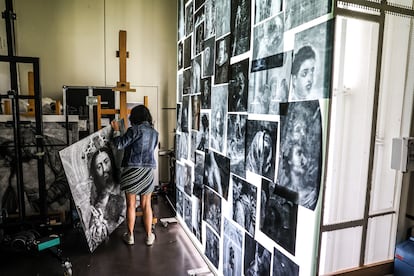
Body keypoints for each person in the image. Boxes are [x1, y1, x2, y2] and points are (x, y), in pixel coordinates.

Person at [111, 105, 159, 246]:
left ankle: (130, 236)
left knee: (131, 205)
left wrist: (116, 131)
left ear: (135, 117)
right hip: (148, 170)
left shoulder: (134, 130)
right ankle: (149, 236)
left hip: (132, 169)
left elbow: (119, 144)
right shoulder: (155, 133)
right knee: (146, 205)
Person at [88, 146, 125, 250]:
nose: (104, 169)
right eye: (99, 167)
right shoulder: (96, 194)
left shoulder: (123, 186)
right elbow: (95, 236)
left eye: (106, 162)